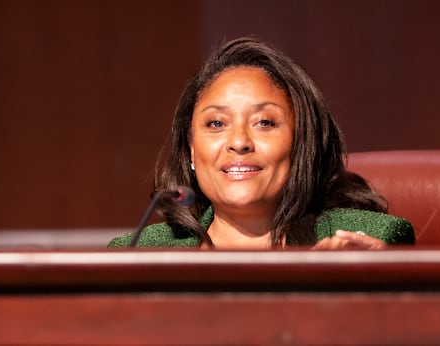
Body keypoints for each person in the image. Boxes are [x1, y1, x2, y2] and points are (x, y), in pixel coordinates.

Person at [108, 37, 415, 249]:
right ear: (190, 149)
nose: (239, 142)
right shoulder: (139, 252)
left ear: (301, 143)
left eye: (264, 123)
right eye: (216, 124)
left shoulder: (366, 240)